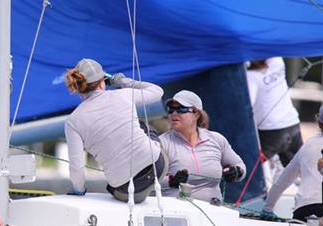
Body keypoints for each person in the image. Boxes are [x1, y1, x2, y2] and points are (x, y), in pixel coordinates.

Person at [63, 59, 164, 203]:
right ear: (103, 82)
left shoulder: (72, 121)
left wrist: (78, 190)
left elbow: (76, 166)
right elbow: (158, 92)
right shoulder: (123, 95)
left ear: (78, 87)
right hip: (157, 167)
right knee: (141, 125)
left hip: (124, 188)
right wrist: (122, 81)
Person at [262, 104, 323, 220]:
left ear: (318, 121)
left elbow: (282, 182)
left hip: (304, 209)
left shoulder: (307, 145)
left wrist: (267, 209)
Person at [159, 90, 246, 204]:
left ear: (196, 114)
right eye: (171, 109)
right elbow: (146, 182)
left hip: (214, 210)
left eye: (181, 109)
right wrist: (171, 181)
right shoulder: (161, 143)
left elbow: (241, 166)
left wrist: (236, 172)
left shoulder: (217, 139)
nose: (174, 113)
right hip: (177, 214)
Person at [246, 58, 302, 166]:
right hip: (292, 124)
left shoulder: (251, 76)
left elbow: (249, 105)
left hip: (271, 132)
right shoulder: (277, 61)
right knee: (299, 171)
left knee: (250, 168)